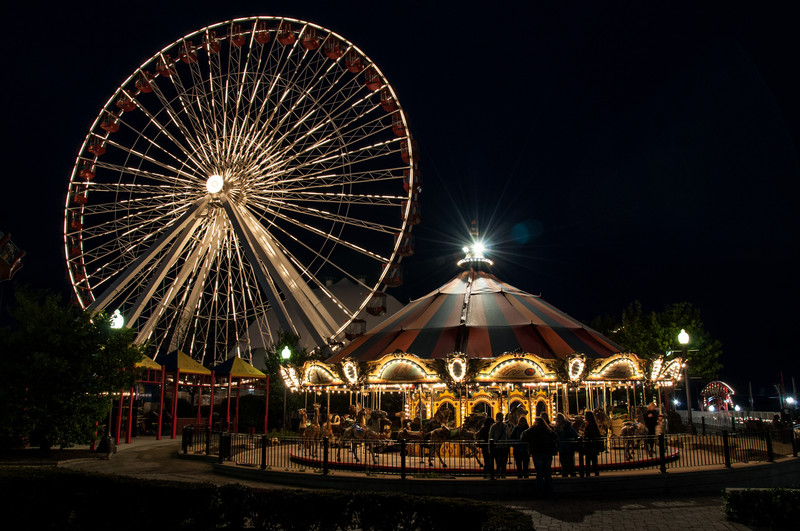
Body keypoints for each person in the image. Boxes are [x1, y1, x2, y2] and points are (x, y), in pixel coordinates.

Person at [523, 416, 559, 495]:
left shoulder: (533, 430)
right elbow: (555, 436)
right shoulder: (548, 430)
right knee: (547, 471)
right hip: (547, 452)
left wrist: (530, 428)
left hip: (537, 452)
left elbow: (523, 436)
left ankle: (539, 490)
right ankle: (549, 490)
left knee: (539, 472)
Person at [554, 413, 579, 477]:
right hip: (562, 447)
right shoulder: (557, 427)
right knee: (564, 461)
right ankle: (566, 473)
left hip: (567, 446)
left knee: (569, 460)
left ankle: (571, 473)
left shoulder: (566, 426)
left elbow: (574, 434)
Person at [488, 412, 510, 478]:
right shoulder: (494, 426)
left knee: (503, 460)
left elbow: (508, 435)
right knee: (498, 460)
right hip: (497, 446)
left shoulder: (505, 426)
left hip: (503, 445)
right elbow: (491, 436)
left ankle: (502, 472)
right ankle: (499, 472)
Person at [582, 410, 602, 477]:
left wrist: (586, 437)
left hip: (590, 444)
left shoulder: (590, 424)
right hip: (591, 444)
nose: (584, 417)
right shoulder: (591, 424)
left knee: (590, 459)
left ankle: (589, 473)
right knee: (592, 460)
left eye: (585, 415)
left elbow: (591, 434)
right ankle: (594, 472)